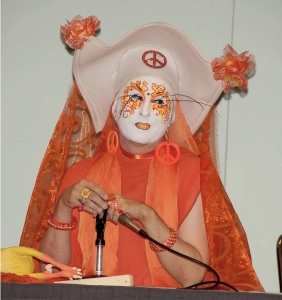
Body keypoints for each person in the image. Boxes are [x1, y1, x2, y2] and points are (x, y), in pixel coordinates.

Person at [20, 15, 263, 291]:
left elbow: (196, 278)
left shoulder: (189, 170)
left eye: (159, 101)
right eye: (135, 97)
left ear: (172, 116)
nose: (145, 110)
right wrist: (63, 207)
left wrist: (149, 217)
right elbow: (49, 273)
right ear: (114, 107)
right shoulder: (82, 176)